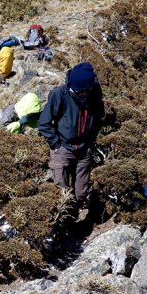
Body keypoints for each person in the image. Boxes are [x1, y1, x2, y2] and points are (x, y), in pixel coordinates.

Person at [37, 62, 104, 218]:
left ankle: (79, 214)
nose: (83, 94)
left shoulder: (94, 93)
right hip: (63, 148)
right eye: (80, 91)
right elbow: (44, 123)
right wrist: (56, 145)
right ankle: (64, 221)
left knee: (81, 193)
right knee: (62, 192)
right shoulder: (59, 94)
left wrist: (90, 142)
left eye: (86, 91)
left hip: (84, 149)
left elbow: (99, 117)